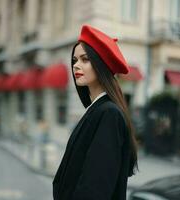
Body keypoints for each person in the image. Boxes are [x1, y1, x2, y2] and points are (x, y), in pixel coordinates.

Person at [52, 25, 138, 200]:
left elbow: (95, 189)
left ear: (101, 64)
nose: (76, 65)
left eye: (85, 59)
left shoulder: (108, 114)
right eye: (75, 60)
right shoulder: (97, 110)